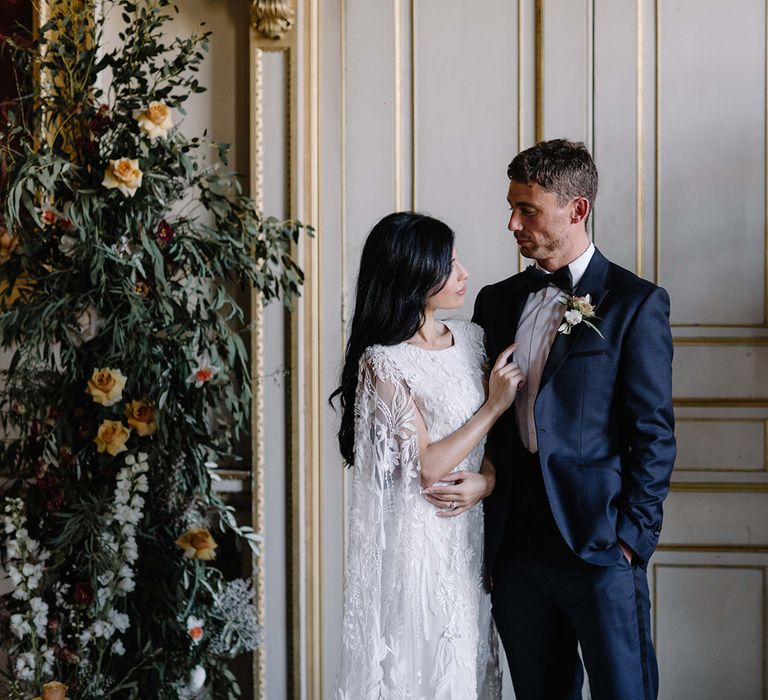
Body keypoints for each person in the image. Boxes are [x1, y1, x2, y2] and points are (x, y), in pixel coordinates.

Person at [473, 139, 676, 700]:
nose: (512, 222)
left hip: (601, 544)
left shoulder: (636, 303)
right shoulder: (495, 302)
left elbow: (653, 434)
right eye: (511, 206)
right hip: (515, 551)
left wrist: (630, 541)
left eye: (528, 209)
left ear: (577, 209)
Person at [332, 211, 522, 699]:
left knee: (467, 661)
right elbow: (429, 465)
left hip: (469, 536)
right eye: (450, 264)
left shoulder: (473, 340)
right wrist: (495, 405)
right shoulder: (384, 361)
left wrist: (489, 480)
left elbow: (494, 447)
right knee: (427, 666)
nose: (464, 274)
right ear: (414, 275)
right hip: (421, 538)